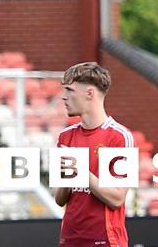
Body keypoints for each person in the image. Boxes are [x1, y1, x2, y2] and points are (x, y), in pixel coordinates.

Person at [55, 62, 133, 247]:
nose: (64, 97)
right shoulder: (66, 136)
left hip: (105, 240)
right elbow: (59, 199)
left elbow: (116, 198)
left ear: (89, 94)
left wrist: (80, 170)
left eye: (70, 90)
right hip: (70, 240)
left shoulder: (118, 136)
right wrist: (69, 175)